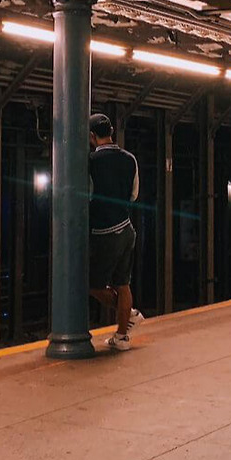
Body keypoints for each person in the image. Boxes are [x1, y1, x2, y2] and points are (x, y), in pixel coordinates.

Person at [87, 113, 144, 351]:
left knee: (92, 284)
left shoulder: (91, 162)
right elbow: (134, 194)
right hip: (127, 229)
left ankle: (129, 313)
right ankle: (121, 338)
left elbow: (88, 195)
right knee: (123, 283)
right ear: (110, 131)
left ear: (92, 136)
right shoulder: (130, 159)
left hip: (105, 232)